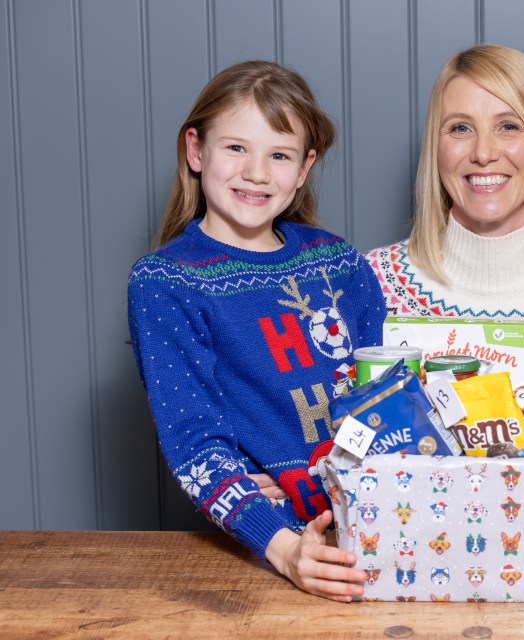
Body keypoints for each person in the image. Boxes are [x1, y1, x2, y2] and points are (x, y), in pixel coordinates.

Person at [127, 60, 385, 600]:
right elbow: (195, 441)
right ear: (196, 151)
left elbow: (385, 395)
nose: (257, 173)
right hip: (266, 551)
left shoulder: (340, 264)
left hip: (376, 528)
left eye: (280, 155)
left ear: (305, 167)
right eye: (236, 148)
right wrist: (281, 542)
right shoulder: (166, 281)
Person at [365, 45, 524, 384]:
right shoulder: (370, 284)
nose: (483, 153)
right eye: (460, 128)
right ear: (436, 146)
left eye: (508, 126)